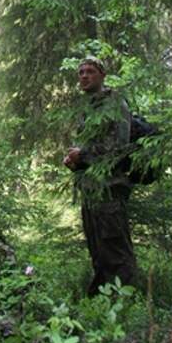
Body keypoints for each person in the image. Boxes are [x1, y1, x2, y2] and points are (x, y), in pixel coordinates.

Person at [63, 57, 136, 297]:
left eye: (90, 71)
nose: (84, 76)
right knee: (98, 250)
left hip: (110, 190)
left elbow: (118, 149)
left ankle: (125, 302)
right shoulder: (88, 110)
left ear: (102, 75)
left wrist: (82, 154)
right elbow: (89, 151)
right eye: (81, 72)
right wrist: (75, 162)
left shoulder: (115, 105)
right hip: (91, 191)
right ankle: (102, 301)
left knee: (116, 249)